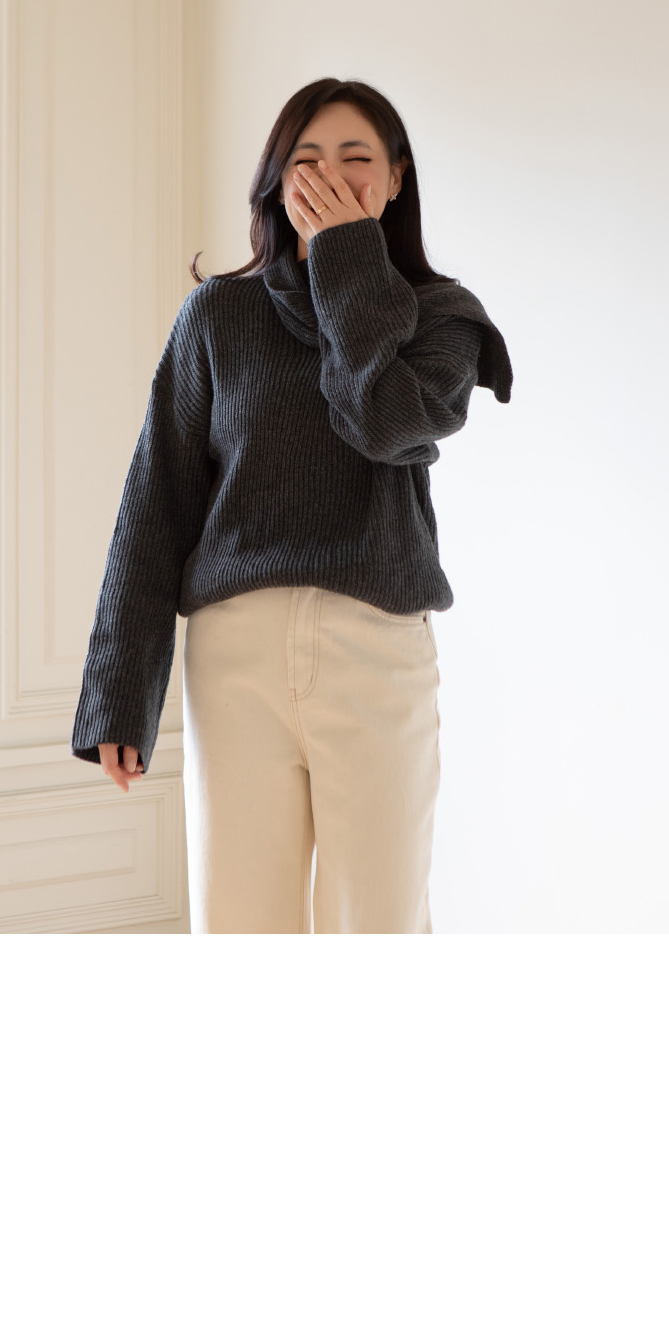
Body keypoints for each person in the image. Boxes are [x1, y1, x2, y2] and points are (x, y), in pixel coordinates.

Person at [73, 69, 512, 935]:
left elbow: (382, 421)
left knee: (378, 925)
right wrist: (120, 693)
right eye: (307, 159)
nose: (330, 176)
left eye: (356, 158)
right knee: (241, 927)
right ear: (278, 181)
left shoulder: (443, 319)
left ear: (396, 178)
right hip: (235, 656)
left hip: (375, 649)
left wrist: (347, 259)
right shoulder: (217, 316)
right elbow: (155, 503)